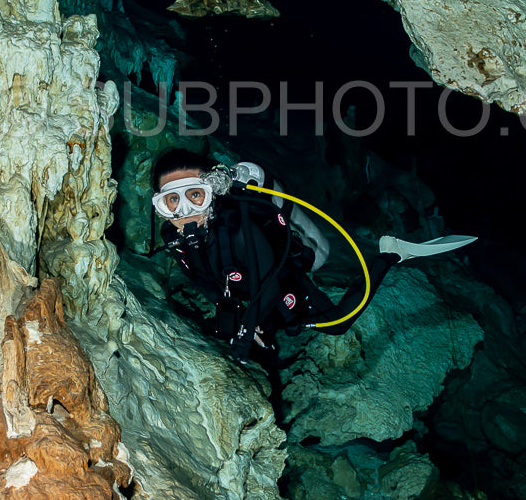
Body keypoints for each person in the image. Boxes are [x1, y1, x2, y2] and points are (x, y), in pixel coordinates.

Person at [151, 148, 476, 365]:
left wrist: (248, 328)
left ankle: (391, 254)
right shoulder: (174, 239)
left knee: (336, 324)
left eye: (195, 196)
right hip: (247, 284)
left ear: (213, 193)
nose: (185, 213)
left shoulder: (239, 230)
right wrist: (235, 316)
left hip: (288, 267)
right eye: (172, 202)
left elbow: (270, 282)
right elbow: (206, 281)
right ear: (160, 206)